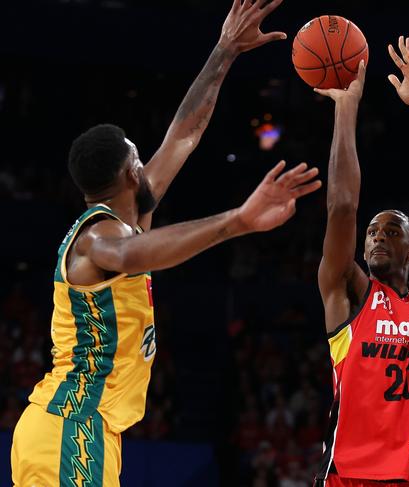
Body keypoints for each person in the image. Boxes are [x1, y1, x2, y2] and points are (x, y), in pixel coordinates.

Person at [10, 0, 321, 485]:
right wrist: (236, 221)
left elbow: (184, 135)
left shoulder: (128, 215)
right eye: (138, 152)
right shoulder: (99, 237)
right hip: (70, 428)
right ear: (131, 172)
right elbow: (130, 256)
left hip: (82, 431)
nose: (146, 156)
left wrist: (224, 51)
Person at [313, 36, 409, 487]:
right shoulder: (349, 293)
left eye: (392, 230)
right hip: (346, 478)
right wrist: (346, 108)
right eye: (373, 232)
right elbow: (342, 207)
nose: (378, 235)